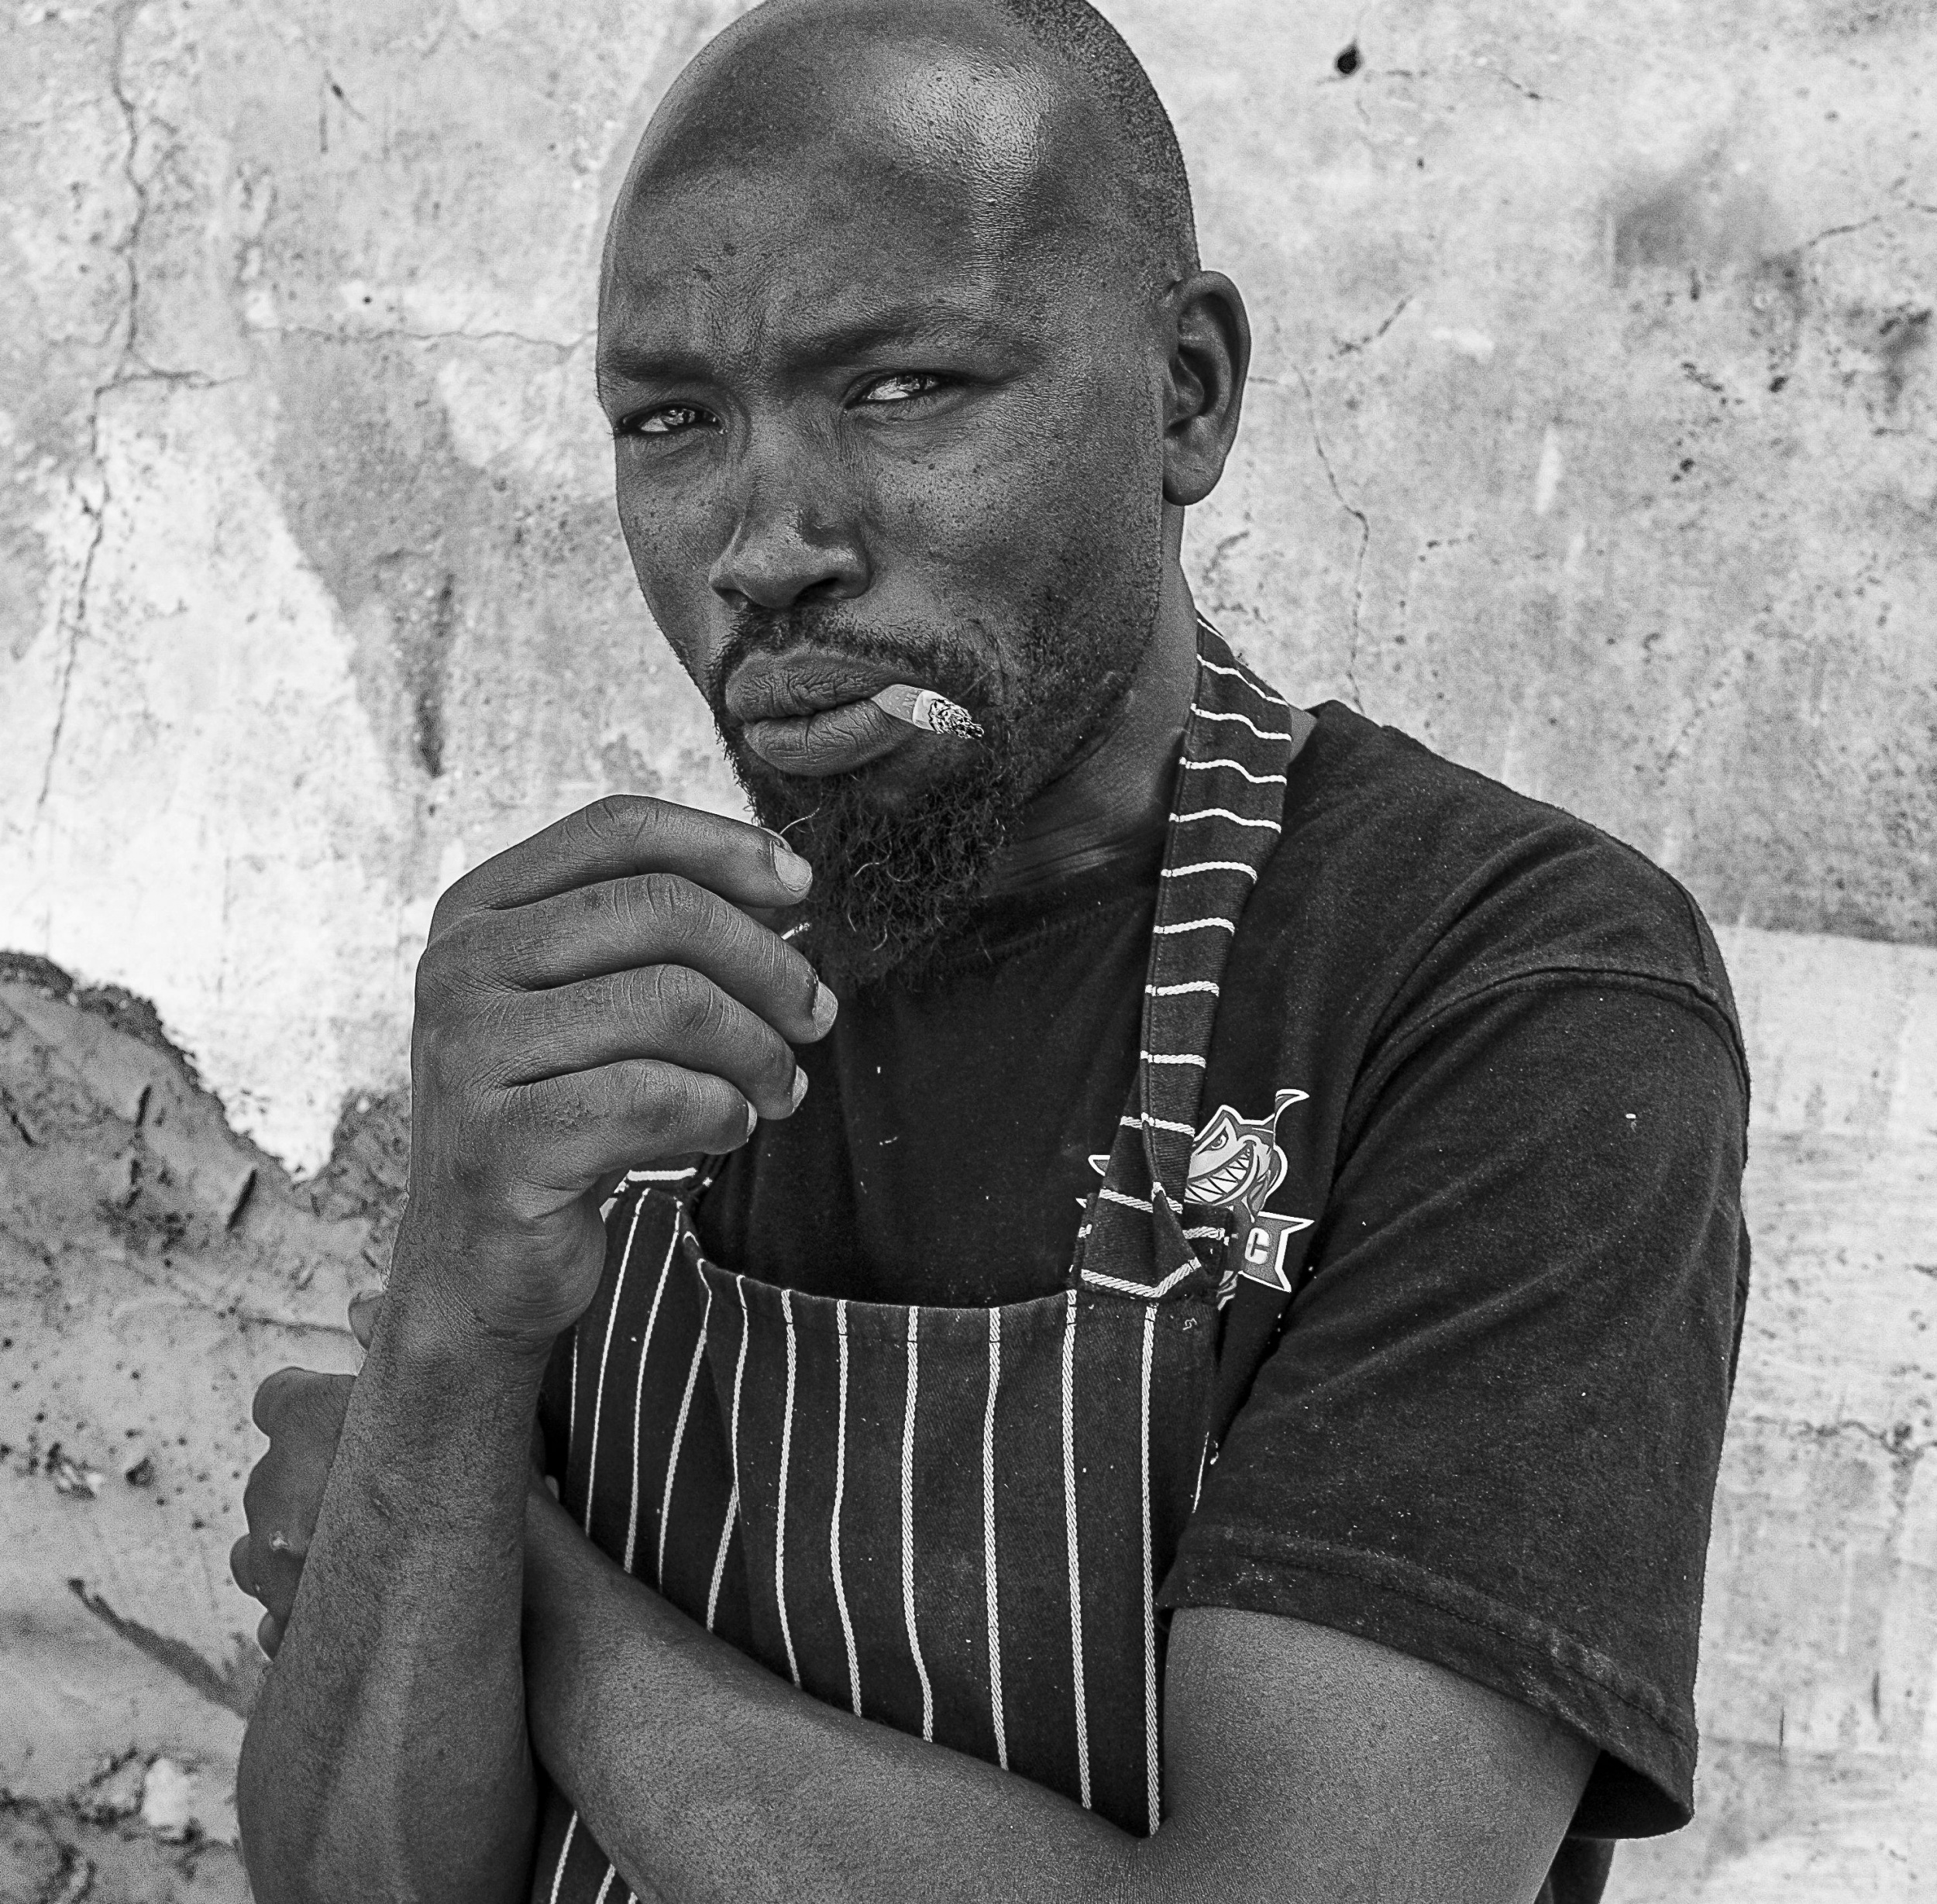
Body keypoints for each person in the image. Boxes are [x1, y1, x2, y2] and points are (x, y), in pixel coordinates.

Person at [229, 2, 1750, 1900]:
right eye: (670, 420)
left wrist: (547, 1613)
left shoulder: (1487, 991)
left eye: (900, 387)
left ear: (1183, 395)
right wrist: (449, 1329)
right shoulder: (601, 1015)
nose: (766, 541)